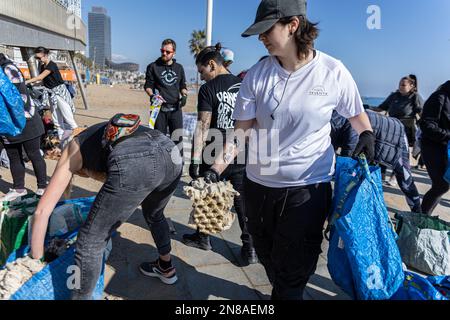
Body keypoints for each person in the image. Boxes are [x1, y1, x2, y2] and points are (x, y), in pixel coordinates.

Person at [199, 0, 375, 300]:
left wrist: (367, 134)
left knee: (294, 271)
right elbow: (240, 132)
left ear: (293, 25)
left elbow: (356, 116)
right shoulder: (256, 75)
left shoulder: (333, 71)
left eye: (267, 30)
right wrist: (216, 168)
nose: (261, 38)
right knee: (267, 257)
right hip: (258, 187)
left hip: (307, 190)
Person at [30, 114, 183, 299]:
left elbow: (41, 211)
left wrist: (35, 262)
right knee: (155, 214)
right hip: (171, 151)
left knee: (90, 240)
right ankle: (166, 267)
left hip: (137, 158)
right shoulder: (97, 136)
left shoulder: (71, 150)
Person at [183, 44, 258, 265]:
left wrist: (195, 160)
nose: (202, 77)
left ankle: (203, 238)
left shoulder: (208, 89)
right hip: (241, 150)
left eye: (202, 71)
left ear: (212, 65)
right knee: (242, 201)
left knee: (207, 194)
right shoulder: (244, 84)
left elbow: (203, 126)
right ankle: (250, 248)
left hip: (214, 151)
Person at [331, 110, 422, 213]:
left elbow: (349, 159)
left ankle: (418, 213)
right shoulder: (330, 121)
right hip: (370, 133)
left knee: (405, 179)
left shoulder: (347, 125)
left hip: (395, 134)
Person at [0, 53, 47, 201]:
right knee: (14, 156)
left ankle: (42, 188)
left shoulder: (7, 68)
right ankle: (19, 188)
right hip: (7, 123)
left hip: (26, 118)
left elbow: (13, 97)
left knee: (34, 154)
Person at [144, 39, 188, 153]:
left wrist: (184, 94)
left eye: (167, 52)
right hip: (159, 110)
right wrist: (152, 95)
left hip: (176, 110)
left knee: (177, 141)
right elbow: (148, 86)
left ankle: (178, 167)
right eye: (162, 50)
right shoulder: (153, 66)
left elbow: (182, 85)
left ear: (174, 53)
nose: (164, 53)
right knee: (158, 141)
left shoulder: (179, 68)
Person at [26, 47, 78, 141]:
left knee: (67, 115)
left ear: (45, 55)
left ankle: (76, 137)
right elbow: (43, 81)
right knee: (56, 119)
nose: (38, 60)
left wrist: (25, 82)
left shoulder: (51, 65)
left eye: (39, 58)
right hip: (51, 93)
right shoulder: (42, 66)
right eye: (36, 58)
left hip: (59, 92)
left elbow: (40, 77)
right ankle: (61, 140)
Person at [420, 81, 450, 215]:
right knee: (441, 185)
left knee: (442, 186)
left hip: (446, 148)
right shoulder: (439, 97)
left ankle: (423, 217)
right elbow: (427, 125)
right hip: (432, 147)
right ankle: (421, 217)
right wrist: (448, 135)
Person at [373, 75, 423, 147]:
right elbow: (381, 108)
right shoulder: (394, 96)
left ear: (411, 86)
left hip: (407, 130)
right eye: (399, 85)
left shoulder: (415, 97)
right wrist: (366, 108)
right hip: (392, 127)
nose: (400, 87)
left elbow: (421, 113)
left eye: (403, 85)